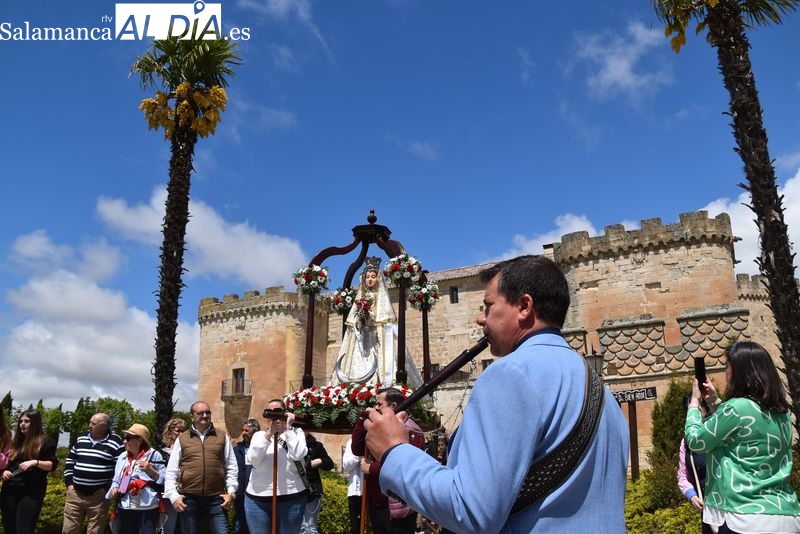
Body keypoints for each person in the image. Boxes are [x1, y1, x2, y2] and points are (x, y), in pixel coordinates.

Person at [364, 255, 629, 533]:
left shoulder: (510, 374)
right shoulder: (602, 393)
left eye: (488, 306)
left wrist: (395, 451)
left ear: (524, 306)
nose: (481, 318)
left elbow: (470, 510)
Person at [685, 341, 800, 533]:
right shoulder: (783, 413)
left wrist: (694, 405)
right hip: (786, 515)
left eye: (727, 366)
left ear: (740, 371)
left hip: (746, 517)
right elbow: (739, 433)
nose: (726, 372)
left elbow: (696, 441)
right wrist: (715, 403)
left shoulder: (736, 408)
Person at [332, 257, 423, 387]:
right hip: (361, 340)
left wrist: (372, 320)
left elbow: (385, 321)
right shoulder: (360, 298)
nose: (370, 279)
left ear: (378, 278)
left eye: (373, 276)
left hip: (377, 340)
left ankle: (384, 382)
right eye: (367, 277)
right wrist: (360, 320)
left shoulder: (382, 299)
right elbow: (354, 324)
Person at [353, 387, 425, 534]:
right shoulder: (377, 427)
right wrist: (362, 418)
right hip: (378, 503)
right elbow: (357, 449)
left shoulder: (411, 430)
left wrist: (372, 468)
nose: (376, 408)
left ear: (392, 406)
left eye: (379, 405)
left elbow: (405, 467)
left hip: (398, 505)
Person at [163, 401, 238, 534]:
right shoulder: (183, 439)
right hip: (189, 498)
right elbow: (172, 470)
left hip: (216, 498)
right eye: (200, 413)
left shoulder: (222, 436)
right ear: (192, 416)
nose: (205, 415)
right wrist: (174, 496)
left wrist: (231, 492)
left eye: (207, 412)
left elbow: (231, 466)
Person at [245, 399, 308, 534]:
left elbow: (298, 454)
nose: (275, 416)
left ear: (286, 413)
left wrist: (289, 429)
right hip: (258, 499)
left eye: (278, 412)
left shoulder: (296, 433)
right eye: (270, 413)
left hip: (291, 497)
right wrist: (269, 434)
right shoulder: (259, 436)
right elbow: (253, 460)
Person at [62, 412, 125, 534]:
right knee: (69, 530)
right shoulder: (82, 437)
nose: (89, 425)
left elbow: (121, 469)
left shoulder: (116, 441)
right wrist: (69, 484)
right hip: (75, 493)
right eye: (90, 422)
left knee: (95, 531)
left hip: (99, 496)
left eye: (93, 423)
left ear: (104, 426)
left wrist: (107, 490)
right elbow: (70, 461)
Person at [0, 409, 58, 533]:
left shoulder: (46, 442)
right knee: (9, 529)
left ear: (35, 423)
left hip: (31, 492)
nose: (22, 424)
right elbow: (7, 463)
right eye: (21, 421)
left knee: (24, 530)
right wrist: (3, 473)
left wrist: (35, 462)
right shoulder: (16, 442)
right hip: (9, 490)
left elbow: (52, 465)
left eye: (27, 421)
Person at [107, 424, 166, 534]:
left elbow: (165, 480)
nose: (124, 441)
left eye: (128, 438)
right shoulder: (123, 456)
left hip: (147, 507)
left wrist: (151, 471)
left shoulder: (154, 455)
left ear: (139, 440)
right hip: (126, 506)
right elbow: (117, 480)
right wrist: (115, 488)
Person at [677, 393, 713, 534]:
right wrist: (691, 495)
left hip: (732, 508)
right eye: (689, 409)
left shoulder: (720, 433)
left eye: (697, 408)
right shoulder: (686, 443)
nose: (693, 413)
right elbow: (682, 475)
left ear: (706, 409)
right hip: (708, 510)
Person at [300, 433, 334, 534]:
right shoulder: (288, 443)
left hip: (312, 490)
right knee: (299, 527)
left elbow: (329, 464)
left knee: (308, 525)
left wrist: (320, 460)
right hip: (295, 491)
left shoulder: (315, 445)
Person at [157, 418, 186, 534]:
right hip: (168, 495)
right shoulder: (161, 452)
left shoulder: (189, 449)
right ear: (169, 432)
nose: (181, 434)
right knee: (168, 527)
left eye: (183, 431)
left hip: (186, 492)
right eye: (178, 431)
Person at [233, 418, 260, 534]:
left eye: (247, 431)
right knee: (240, 525)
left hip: (257, 496)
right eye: (243, 430)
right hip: (240, 496)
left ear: (255, 432)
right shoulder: (236, 450)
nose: (243, 433)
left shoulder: (263, 449)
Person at [341, 437, 363, 534]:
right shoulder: (352, 441)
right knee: (355, 527)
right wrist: (358, 455)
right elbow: (346, 465)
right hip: (355, 491)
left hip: (371, 492)